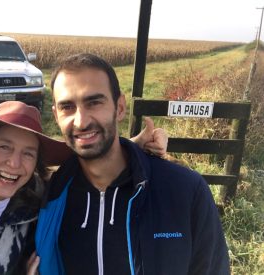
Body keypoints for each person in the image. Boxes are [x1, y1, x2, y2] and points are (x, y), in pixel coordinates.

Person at [34, 53, 230, 275]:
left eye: (94, 102)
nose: (81, 121)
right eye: (67, 107)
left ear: (119, 107)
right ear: (56, 116)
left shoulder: (184, 190)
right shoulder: (51, 196)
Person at [0, 100, 168, 275]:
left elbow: (88, 167)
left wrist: (131, 149)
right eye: (4, 147)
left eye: (28, 154)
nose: (14, 163)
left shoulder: (37, 203)